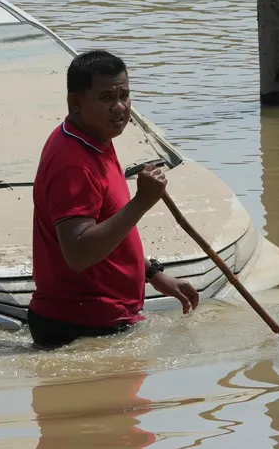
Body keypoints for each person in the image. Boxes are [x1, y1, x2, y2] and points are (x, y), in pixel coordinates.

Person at [26, 50, 198, 349]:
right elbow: (78, 253)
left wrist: (154, 275)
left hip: (102, 319)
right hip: (79, 328)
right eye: (106, 97)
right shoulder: (74, 164)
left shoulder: (94, 139)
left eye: (125, 95)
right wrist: (142, 202)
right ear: (76, 104)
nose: (120, 108)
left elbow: (106, 224)